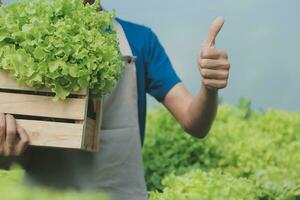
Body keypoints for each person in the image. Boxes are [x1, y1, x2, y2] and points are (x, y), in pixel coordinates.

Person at [0, 0, 230, 199]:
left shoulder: (140, 40)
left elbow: (195, 122)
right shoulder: (20, 37)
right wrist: (5, 155)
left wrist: (209, 87)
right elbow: (15, 152)